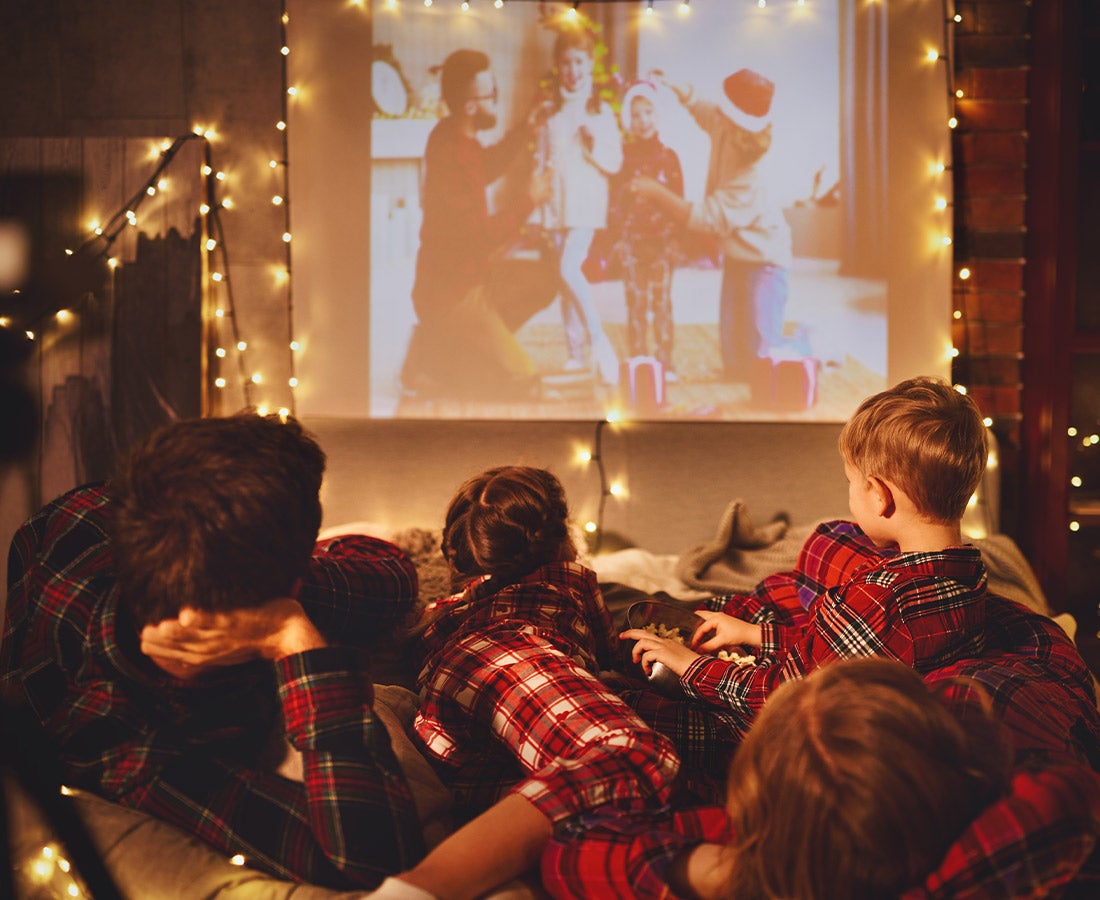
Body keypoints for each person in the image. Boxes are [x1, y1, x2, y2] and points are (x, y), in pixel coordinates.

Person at [0, 412, 424, 891]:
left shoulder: (87, 512)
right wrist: (293, 636)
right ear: (292, 584)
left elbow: (393, 576)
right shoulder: (130, 755)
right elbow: (375, 857)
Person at [620, 377, 995, 774]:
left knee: (628, 703)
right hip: (846, 700)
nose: (849, 497)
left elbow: (785, 693)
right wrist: (753, 635)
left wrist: (688, 665)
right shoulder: (967, 574)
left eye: (851, 483)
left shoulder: (883, 597)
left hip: (797, 737)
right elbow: (845, 654)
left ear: (879, 495)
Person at [543, 656, 1100, 899]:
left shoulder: (763, 860)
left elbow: (569, 855)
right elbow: (1065, 790)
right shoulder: (1013, 847)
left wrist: (734, 871)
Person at [371, 466, 680, 900]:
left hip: (457, 724)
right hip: (503, 657)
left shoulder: (453, 606)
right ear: (563, 536)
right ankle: (415, 890)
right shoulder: (573, 579)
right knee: (632, 754)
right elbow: (608, 652)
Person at [401, 49, 558, 401]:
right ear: (470, 106)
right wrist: (529, 199)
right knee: (522, 383)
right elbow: (479, 238)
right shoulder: (451, 152)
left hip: (470, 277)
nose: (495, 101)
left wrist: (525, 129)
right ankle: (440, 355)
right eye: (491, 96)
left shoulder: (453, 136)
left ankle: (446, 351)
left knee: (544, 280)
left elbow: (484, 167)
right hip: (454, 296)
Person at [630, 67, 797, 382]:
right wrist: (676, 86)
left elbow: (704, 218)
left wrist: (655, 191)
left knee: (763, 354)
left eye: (723, 111)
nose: (717, 114)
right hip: (738, 256)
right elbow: (704, 110)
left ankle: (800, 346)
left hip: (767, 260)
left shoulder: (750, 174)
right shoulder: (726, 125)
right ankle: (740, 368)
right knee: (734, 352)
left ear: (736, 121)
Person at [536, 22, 623, 386]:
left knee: (570, 269)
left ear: (590, 66)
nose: (573, 71)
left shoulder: (600, 112)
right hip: (557, 207)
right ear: (559, 65)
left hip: (586, 206)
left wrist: (591, 146)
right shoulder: (550, 115)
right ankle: (575, 354)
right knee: (565, 282)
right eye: (566, 63)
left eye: (579, 63)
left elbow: (615, 162)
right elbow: (541, 164)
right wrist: (541, 211)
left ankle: (598, 339)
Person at [608, 80, 684, 379]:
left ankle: (665, 361)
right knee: (636, 303)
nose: (643, 121)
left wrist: (678, 241)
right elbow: (615, 202)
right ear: (629, 119)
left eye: (648, 113)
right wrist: (616, 239)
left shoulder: (669, 157)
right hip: (632, 243)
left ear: (657, 114)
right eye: (636, 115)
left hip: (663, 242)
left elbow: (679, 203)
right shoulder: (622, 158)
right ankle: (640, 360)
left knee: (662, 302)